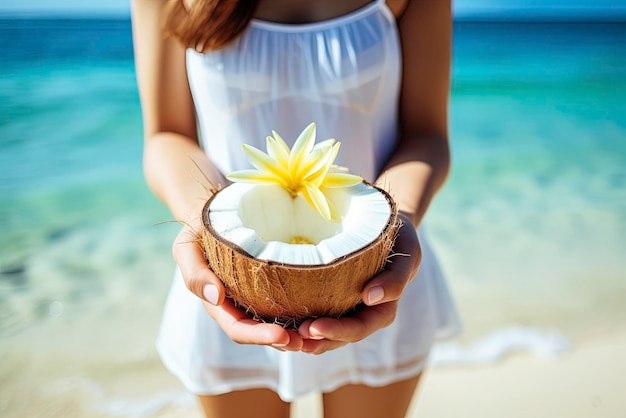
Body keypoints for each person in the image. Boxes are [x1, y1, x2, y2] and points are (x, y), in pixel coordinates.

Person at [131, 0, 460, 416]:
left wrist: (401, 218)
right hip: (234, 276)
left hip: (379, 266)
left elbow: (426, 134)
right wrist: (204, 225)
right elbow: (165, 135)